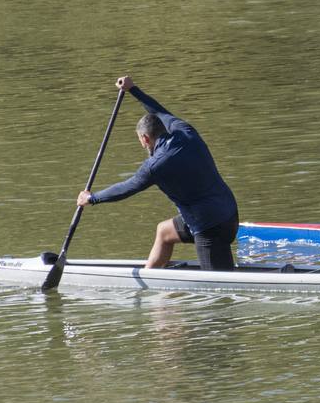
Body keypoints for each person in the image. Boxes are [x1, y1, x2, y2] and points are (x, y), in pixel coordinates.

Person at [76, 75, 239, 270]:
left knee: (218, 290)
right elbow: (159, 111)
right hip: (229, 212)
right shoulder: (185, 131)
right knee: (164, 232)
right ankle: (148, 278)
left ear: (145, 139)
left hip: (210, 227)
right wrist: (133, 89)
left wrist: (92, 198)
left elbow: (127, 187)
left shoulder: (155, 165)